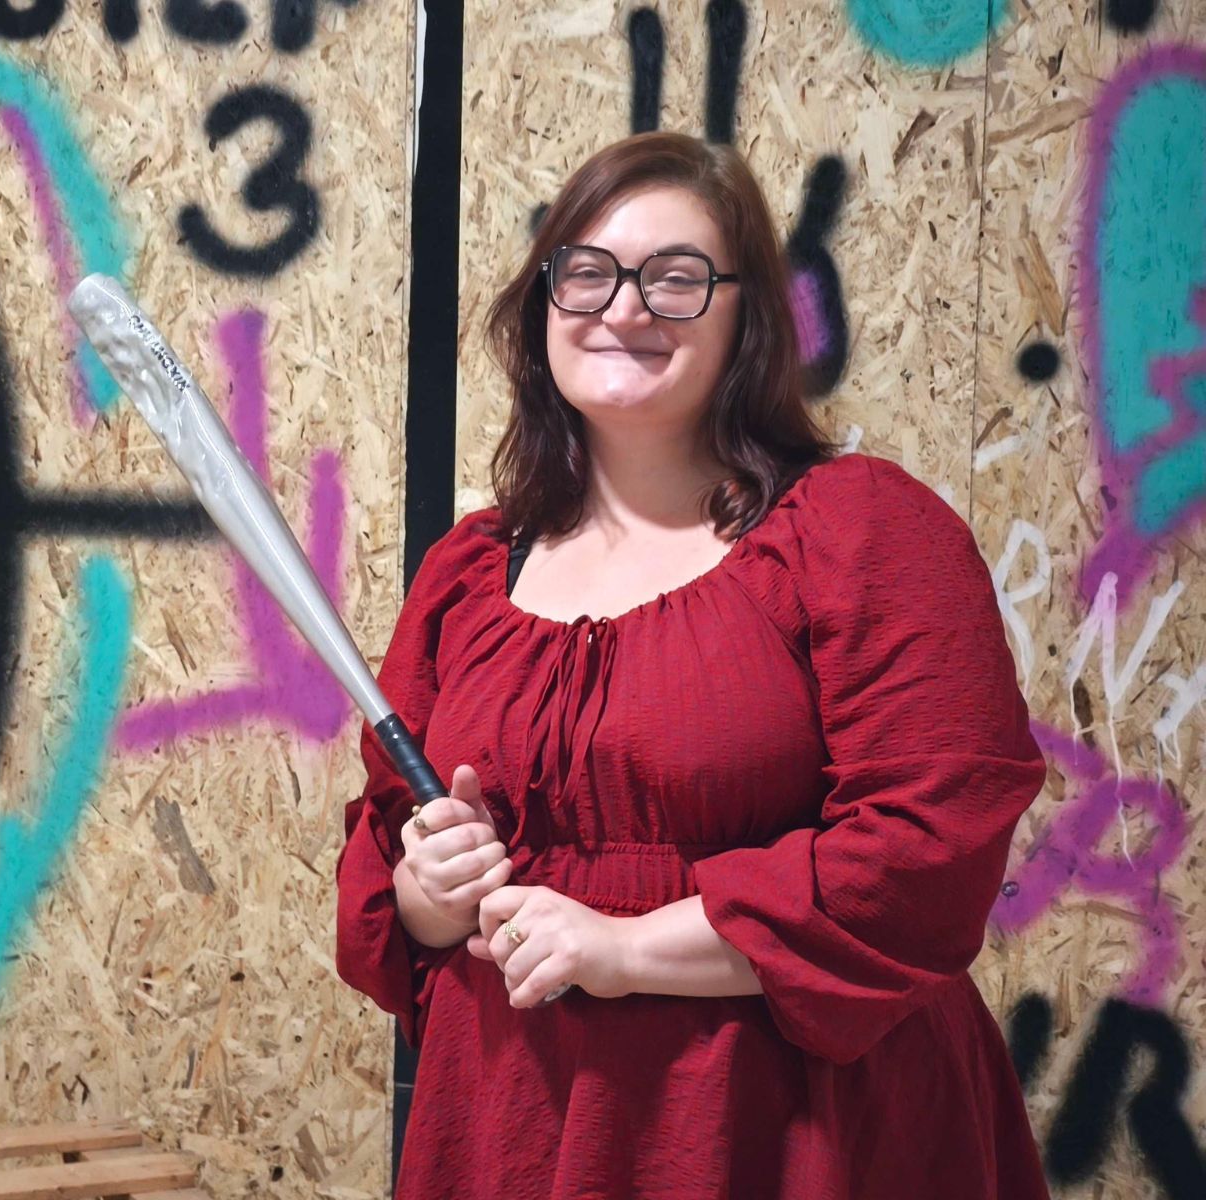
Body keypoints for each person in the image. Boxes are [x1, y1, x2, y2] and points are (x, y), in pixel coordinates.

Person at [334, 130, 1051, 1199]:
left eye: (675, 278)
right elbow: (391, 856)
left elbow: (923, 861)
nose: (623, 308)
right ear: (542, 306)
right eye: (586, 273)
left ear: (745, 318)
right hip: (516, 1125)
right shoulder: (468, 574)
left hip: (788, 1131)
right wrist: (428, 889)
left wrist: (624, 950)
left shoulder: (862, 533)